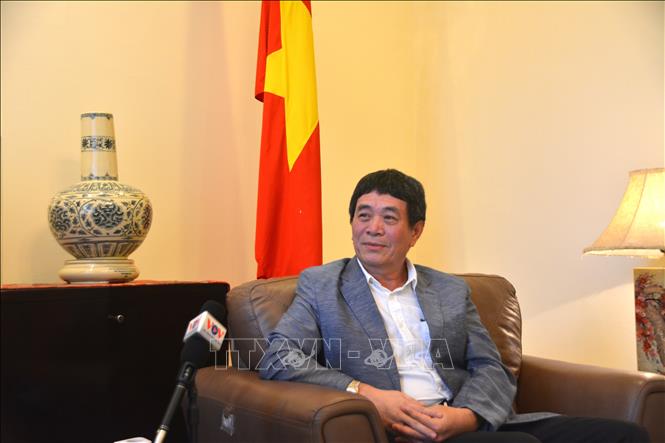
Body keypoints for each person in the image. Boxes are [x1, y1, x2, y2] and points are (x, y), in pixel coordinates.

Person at [259, 169, 649, 443]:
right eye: (364, 216)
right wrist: (366, 394)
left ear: (415, 231)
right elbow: (279, 358)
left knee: (624, 436)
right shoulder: (323, 285)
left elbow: (491, 367)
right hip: (401, 430)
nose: (373, 228)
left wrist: (467, 416)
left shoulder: (449, 290)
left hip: (464, 420)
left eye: (389, 218)